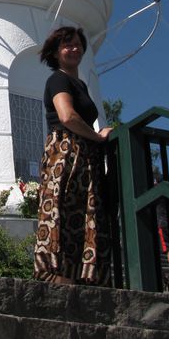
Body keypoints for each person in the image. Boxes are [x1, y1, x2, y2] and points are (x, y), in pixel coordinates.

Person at [33, 26, 113, 285]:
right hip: (66, 152)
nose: (74, 48)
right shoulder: (58, 79)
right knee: (64, 209)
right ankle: (58, 275)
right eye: (67, 45)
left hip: (82, 152)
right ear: (56, 52)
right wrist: (98, 136)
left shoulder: (80, 84)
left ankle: (80, 274)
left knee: (82, 211)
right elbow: (67, 116)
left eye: (78, 44)